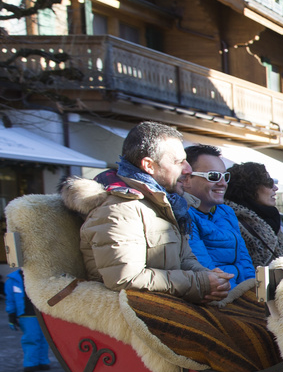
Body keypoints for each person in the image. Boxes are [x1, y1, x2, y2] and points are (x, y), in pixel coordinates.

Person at [63, 121, 231, 305]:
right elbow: (125, 280)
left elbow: (184, 259)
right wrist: (199, 283)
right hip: (132, 317)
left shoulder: (166, 204)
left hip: (163, 305)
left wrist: (208, 277)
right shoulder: (119, 209)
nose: (188, 170)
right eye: (178, 162)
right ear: (149, 166)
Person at [180, 145, 255, 284]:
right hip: (220, 295)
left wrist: (254, 291)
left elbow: (244, 261)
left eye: (225, 176)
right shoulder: (183, 214)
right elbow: (207, 272)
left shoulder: (226, 211)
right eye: (213, 176)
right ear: (186, 180)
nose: (222, 183)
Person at [225, 161, 283, 267]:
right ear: (250, 187)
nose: (275, 188)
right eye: (269, 182)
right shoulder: (230, 221)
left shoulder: (271, 218)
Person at [5, 268, 50, 372]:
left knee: (44, 338)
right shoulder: (13, 280)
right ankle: (30, 363)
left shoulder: (40, 276)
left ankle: (42, 361)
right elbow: (10, 299)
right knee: (31, 339)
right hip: (26, 315)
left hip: (42, 313)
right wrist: (11, 315)